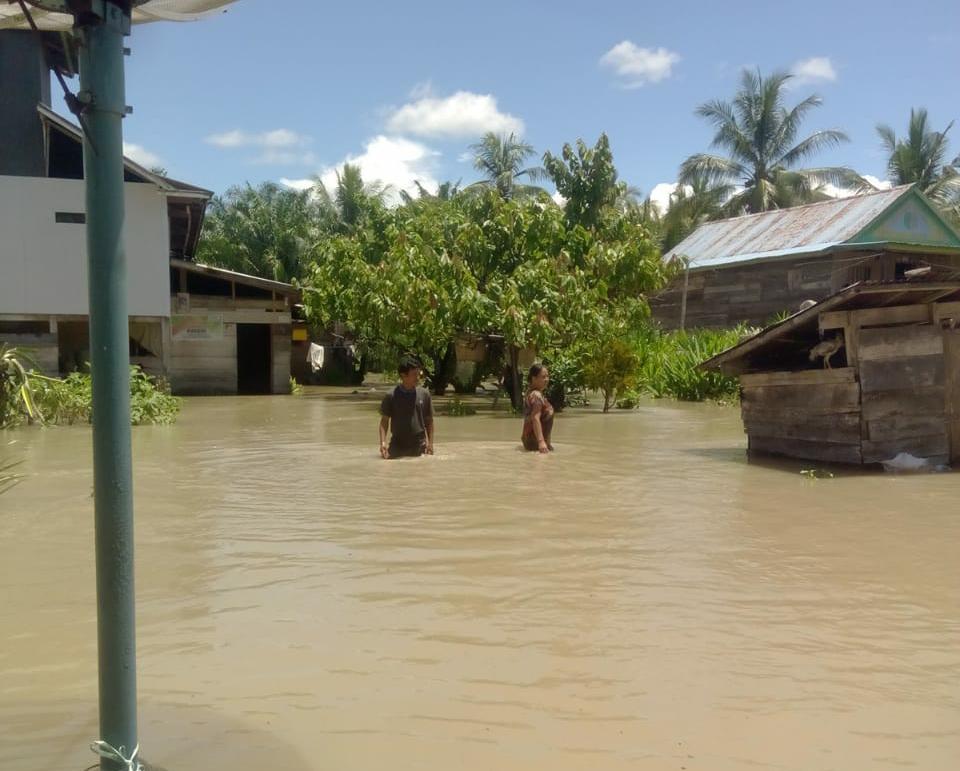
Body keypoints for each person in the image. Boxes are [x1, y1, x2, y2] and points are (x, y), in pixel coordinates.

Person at [379, 355, 434, 459]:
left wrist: (430, 444)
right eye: (414, 374)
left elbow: (429, 421)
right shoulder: (391, 395)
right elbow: (384, 421)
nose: (418, 377)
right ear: (403, 375)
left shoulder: (424, 394)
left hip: (419, 445)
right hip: (397, 444)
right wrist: (383, 443)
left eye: (418, 374)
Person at [521, 363, 555, 453]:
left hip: (532, 440)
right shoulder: (536, 395)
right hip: (535, 442)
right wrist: (541, 442)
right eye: (543, 377)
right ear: (534, 378)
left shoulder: (531, 392)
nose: (546, 379)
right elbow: (535, 417)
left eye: (547, 376)